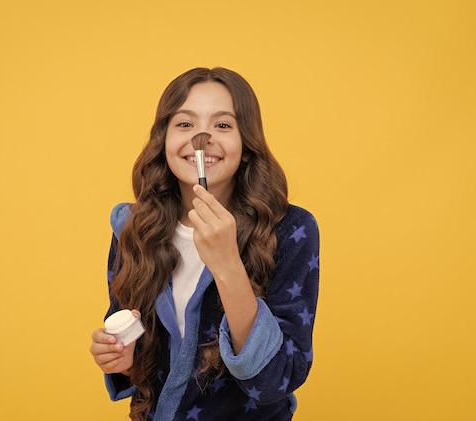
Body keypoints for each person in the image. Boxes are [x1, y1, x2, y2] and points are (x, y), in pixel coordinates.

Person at [90, 67, 320, 421]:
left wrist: (227, 263)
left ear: (246, 146)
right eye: (184, 124)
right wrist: (121, 359)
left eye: (223, 125)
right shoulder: (133, 227)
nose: (203, 136)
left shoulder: (290, 229)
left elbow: (279, 378)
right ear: (163, 141)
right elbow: (133, 346)